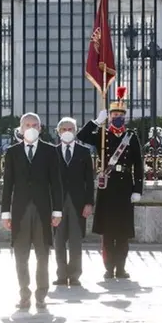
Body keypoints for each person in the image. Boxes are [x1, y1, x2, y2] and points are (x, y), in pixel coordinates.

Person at [76, 86, 144, 280]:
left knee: (122, 231)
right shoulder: (102, 134)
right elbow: (81, 137)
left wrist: (137, 189)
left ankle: (121, 268)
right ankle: (108, 267)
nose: (117, 117)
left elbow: (138, 165)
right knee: (107, 232)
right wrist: (96, 122)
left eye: (120, 114)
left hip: (124, 189)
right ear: (109, 115)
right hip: (107, 187)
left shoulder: (131, 137)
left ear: (125, 116)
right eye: (114, 114)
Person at [1, 113, 63, 310]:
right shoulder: (12, 152)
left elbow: (56, 184)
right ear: (20, 128)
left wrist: (58, 211)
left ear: (40, 127)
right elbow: (7, 185)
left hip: (43, 211)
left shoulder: (50, 151)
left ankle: (41, 294)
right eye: (27, 125)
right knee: (21, 255)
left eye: (34, 125)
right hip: (19, 212)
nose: (31, 128)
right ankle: (24, 294)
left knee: (43, 254)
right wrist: (5, 213)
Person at [53, 117, 95, 287]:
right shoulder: (52, 152)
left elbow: (89, 180)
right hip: (58, 204)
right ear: (58, 132)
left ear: (75, 131)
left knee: (76, 241)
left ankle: (75, 275)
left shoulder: (84, 152)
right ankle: (62, 275)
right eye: (64, 129)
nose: (67, 132)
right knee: (59, 240)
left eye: (70, 129)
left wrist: (89, 203)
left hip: (78, 203)